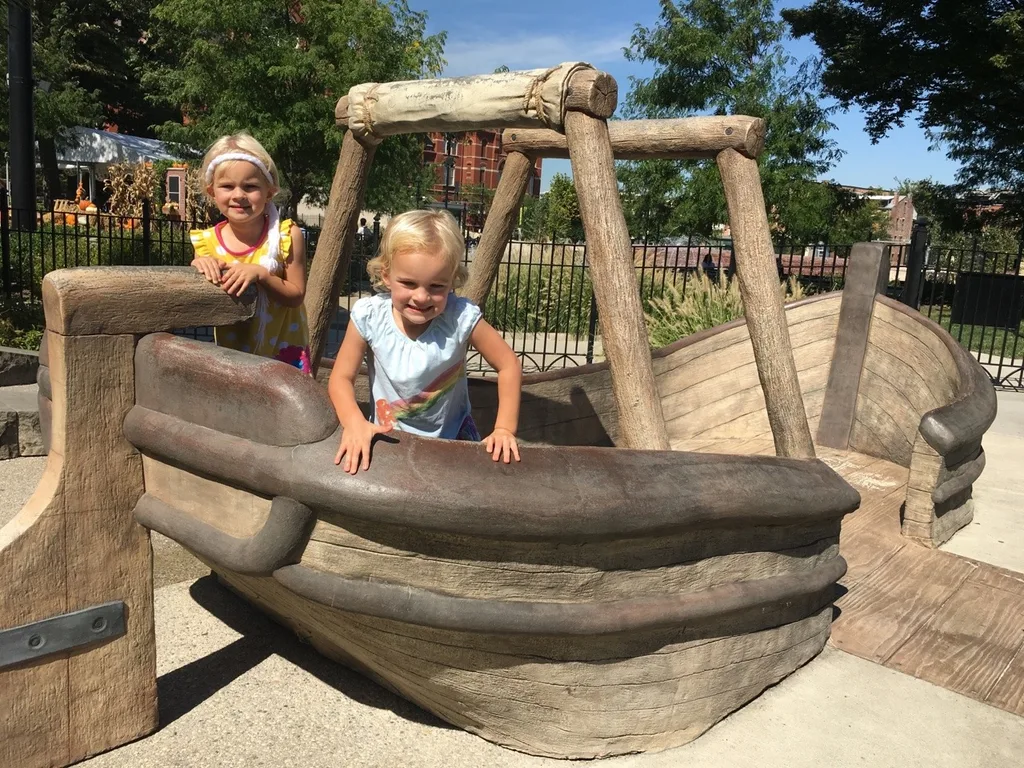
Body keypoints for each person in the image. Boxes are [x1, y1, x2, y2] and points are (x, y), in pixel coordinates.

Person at [329, 209, 522, 474]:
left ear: (452, 281)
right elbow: (341, 377)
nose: (421, 297)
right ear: (386, 275)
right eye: (408, 283)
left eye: (436, 287)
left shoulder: (458, 317)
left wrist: (503, 429)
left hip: (454, 439)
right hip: (390, 437)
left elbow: (508, 364)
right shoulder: (370, 317)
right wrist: (353, 421)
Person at [189, 133, 311, 375]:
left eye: (250, 186)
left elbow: (296, 295)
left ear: (269, 191)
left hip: (284, 353)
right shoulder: (207, 244)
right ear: (212, 191)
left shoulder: (286, 236)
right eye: (227, 186)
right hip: (234, 358)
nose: (238, 195)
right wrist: (198, 269)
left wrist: (262, 275)